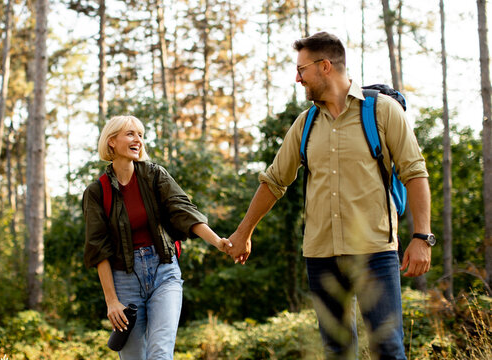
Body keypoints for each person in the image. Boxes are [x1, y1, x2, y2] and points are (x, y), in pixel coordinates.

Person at [226, 32, 432, 359]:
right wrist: (243, 232)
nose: (297, 78)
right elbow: (274, 181)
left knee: (388, 349)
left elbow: (415, 172)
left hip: (374, 252)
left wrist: (422, 236)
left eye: (301, 69)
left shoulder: (383, 111)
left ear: (325, 67)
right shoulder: (305, 124)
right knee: (336, 350)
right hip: (320, 255)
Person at [83, 115, 230, 359]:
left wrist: (217, 242)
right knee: (133, 357)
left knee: (160, 353)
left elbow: (183, 210)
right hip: (124, 281)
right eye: (130, 134)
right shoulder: (97, 192)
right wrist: (111, 301)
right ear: (111, 142)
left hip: (164, 272)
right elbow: (98, 249)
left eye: (140, 135)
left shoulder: (154, 176)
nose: (138, 140)